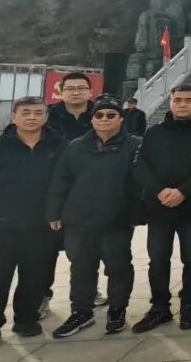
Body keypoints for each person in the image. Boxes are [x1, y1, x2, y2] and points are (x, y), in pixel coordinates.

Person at [0, 96, 67, 350]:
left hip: (42, 225)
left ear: (46, 117)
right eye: (25, 112)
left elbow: (66, 181)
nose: (32, 117)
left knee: (34, 276)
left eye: (38, 112)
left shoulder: (60, 147)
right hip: (3, 225)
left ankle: (25, 320)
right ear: (14, 117)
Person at [46, 97, 139, 338]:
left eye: (111, 115)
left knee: (118, 267)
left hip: (116, 220)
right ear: (92, 119)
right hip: (78, 219)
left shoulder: (135, 146)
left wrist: (136, 213)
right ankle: (81, 311)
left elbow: (140, 183)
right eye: (99, 115)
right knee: (81, 268)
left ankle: (117, 309)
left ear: (121, 119)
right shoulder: (75, 146)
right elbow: (60, 181)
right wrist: (54, 212)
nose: (104, 119)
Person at [131, 84, 191, 332]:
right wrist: (159, 190)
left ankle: (189, 306)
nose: (182, 104)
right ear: (170, 102)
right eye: (177, 100)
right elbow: (140, 164)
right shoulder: (155, 131)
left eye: (187, 100)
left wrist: (183, 192)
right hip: (159, 208)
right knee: (158, 259)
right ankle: (160, 308)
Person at [42, 72, 96, 315]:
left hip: (90, 192)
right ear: (60, 92)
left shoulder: (101, 114)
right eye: (70, 88)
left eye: (81, 88)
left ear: (89, 91)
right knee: (45, 250)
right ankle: (41, 293)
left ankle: (88, 293)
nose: (76, 92)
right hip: (52, 192)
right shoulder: (47, 117)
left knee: (86, 250)